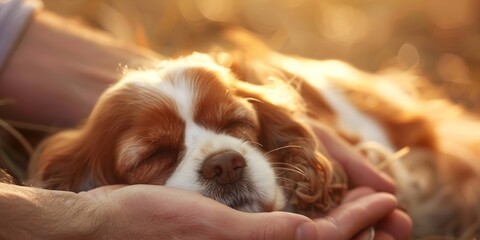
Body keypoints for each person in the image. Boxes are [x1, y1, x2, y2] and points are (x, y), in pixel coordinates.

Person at [0, 0, 412, 239]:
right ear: (89, 184)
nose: (223, 161)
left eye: (235, 125)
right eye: (155, 153)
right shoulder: (78, 178)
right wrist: (85, 221)